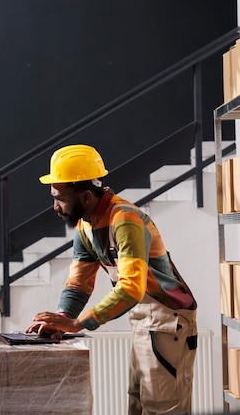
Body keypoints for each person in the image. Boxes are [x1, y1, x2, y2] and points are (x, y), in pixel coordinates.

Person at [27, 144, 197, 415]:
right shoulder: (86, 225)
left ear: (84, 195)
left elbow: (130, 288)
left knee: (163, 408)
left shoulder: (125, 220)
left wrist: (76, 323)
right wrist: (60, 319)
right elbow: (78, 284)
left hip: (167, 322)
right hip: (143, 322)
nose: (55, 206)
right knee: (138, 403)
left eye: (60, 198)